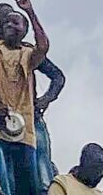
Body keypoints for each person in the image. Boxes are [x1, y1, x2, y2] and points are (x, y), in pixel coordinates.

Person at [0, 0, 51, 195]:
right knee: (3, 184)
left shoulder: (28, 53)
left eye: (15, 23)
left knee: (28, 186)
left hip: (25, 133)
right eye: (7, 23)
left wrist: (30, 11)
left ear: (24, 30)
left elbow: (44, 46)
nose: (10, 26)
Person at [31, 57, 67, 190]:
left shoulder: (30, 53)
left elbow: (58, 77)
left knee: (41, 163)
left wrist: (45, 99)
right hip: (3, 118)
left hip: (31, 117)